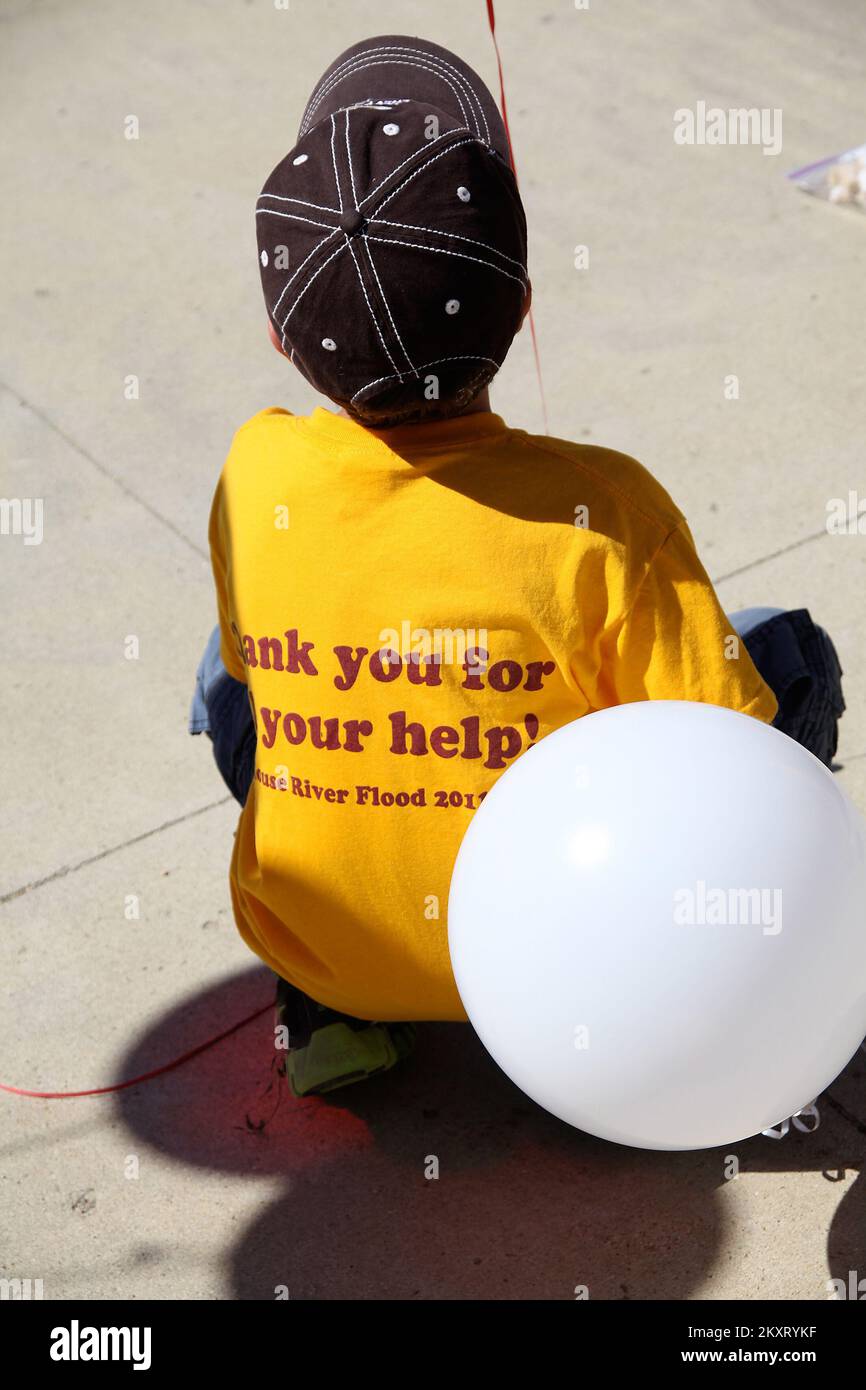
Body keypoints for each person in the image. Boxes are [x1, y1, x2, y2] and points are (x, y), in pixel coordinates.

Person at [190, 35, 844, 1098]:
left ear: (277, 334)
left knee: (221, 678)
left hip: (327, 937)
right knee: (788, 657)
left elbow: (257, 681)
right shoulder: (606, 509)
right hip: (569, 977)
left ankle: (330, 1009)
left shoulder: (252, 467)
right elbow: (728, 758)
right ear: (522, 305)